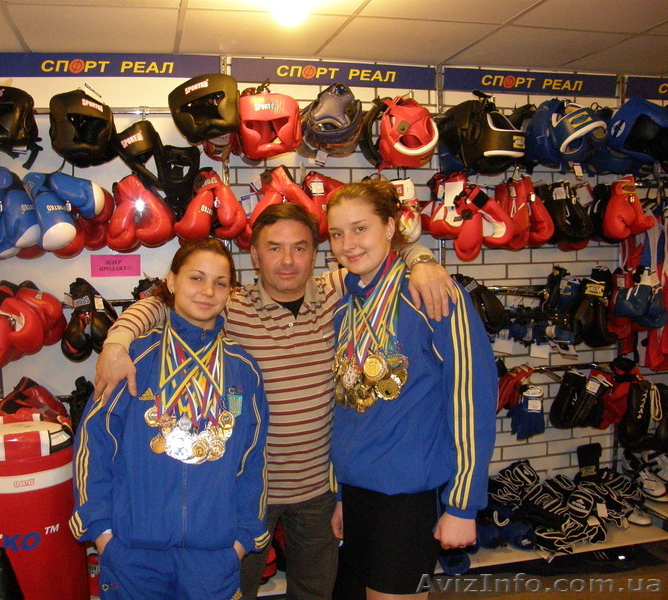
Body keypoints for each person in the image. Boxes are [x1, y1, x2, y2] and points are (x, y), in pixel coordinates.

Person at [94, 202, 458, 600]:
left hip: (318, 490)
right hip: (248, 494)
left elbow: (383, 252)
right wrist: (116, 342)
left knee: (315, 592)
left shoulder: (336, 293)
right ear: (254, 255)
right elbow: (160, 302)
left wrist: (422, 260)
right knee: (237, 590)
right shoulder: (229, 302)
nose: (287, 261)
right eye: (274, 248)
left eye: (299, 248)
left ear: (315, 254)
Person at [70, 237, 270, 600]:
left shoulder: (243, 369)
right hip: (133, 554)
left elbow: (251, 459)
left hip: (214, 557)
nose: (207, 291)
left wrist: (241, 540)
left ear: (230, 292)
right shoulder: (133, 358)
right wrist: (102, 535)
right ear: (172, 281)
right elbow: (94, 444)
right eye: (196, 278)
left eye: (220, 283)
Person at [325, 179, 497, 600]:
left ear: (389, 227)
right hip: (358, 494)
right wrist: (341, 493)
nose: (348, 244)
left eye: (360, 228)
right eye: (336, 233)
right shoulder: (346, 306)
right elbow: (347, 405)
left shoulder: (434, 295)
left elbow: (471, 401)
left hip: (408, 499)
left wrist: (462, 505)